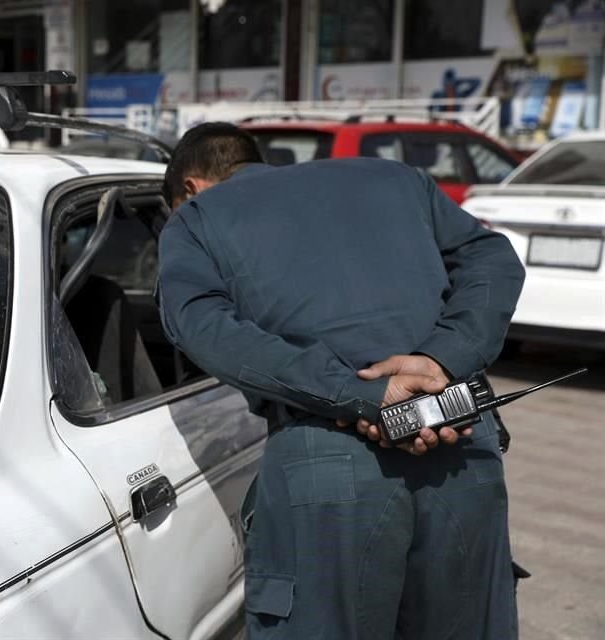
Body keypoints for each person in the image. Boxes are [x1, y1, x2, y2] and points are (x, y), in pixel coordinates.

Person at [156, 122, 525, 639]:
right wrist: (443, 360)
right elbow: (492, 256)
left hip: (327, 455)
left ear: (189, 187)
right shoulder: (394, 178)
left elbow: (201, 325)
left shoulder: (196, 219)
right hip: (458, 436)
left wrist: (363, 394)